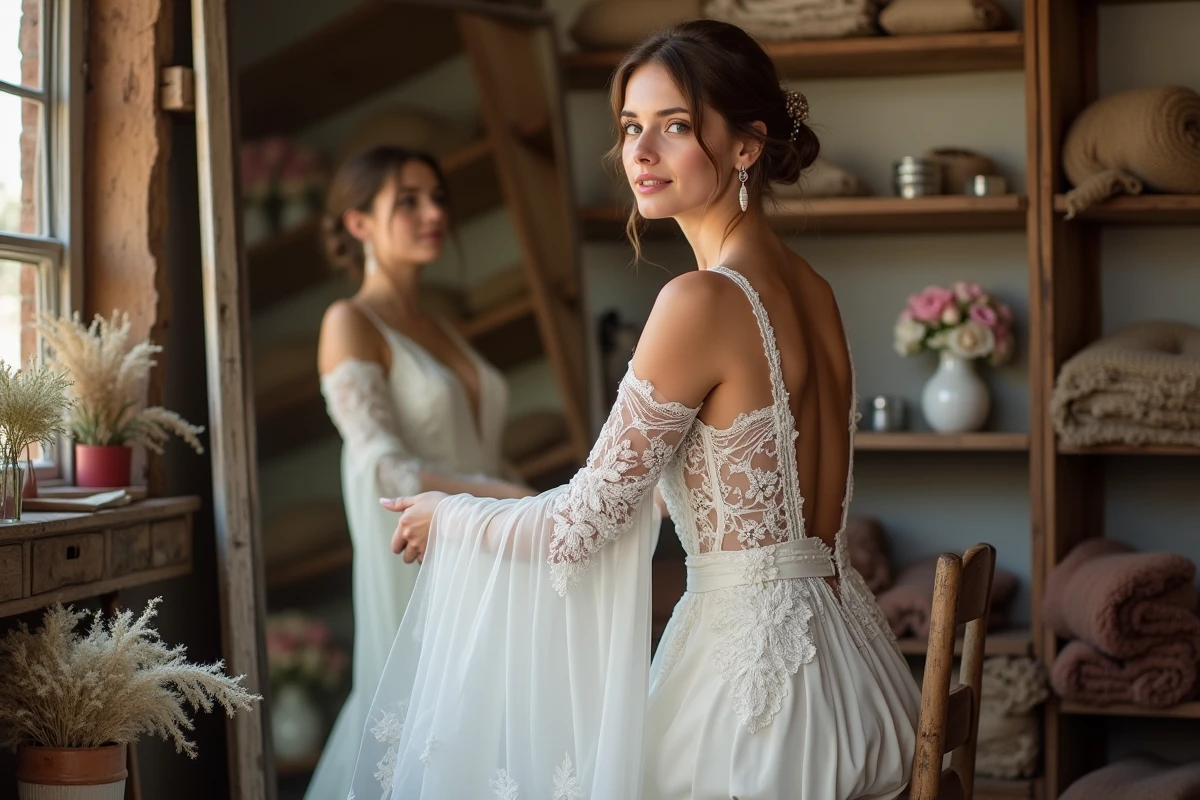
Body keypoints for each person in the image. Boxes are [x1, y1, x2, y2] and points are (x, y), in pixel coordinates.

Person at [347, 21, 921, 800]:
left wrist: (450, 518)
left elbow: (580, 529)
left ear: (747, 146)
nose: (639, 154)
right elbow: (707, 485)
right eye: (629, 128)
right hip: (856, 672)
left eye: (675, 126)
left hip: (757, 706)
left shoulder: (701, 299)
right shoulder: (811, 288)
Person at [303, 145, 533, 800]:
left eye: (437, 197)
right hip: (424, 556)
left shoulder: (440, 326)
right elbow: (385, 466)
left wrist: (559, 500)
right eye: (408, 200)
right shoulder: (348, 322)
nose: (434, 212)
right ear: (358, 224)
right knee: (427, 735)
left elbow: (479, 450)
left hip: (488, 546)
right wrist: (512, 498)